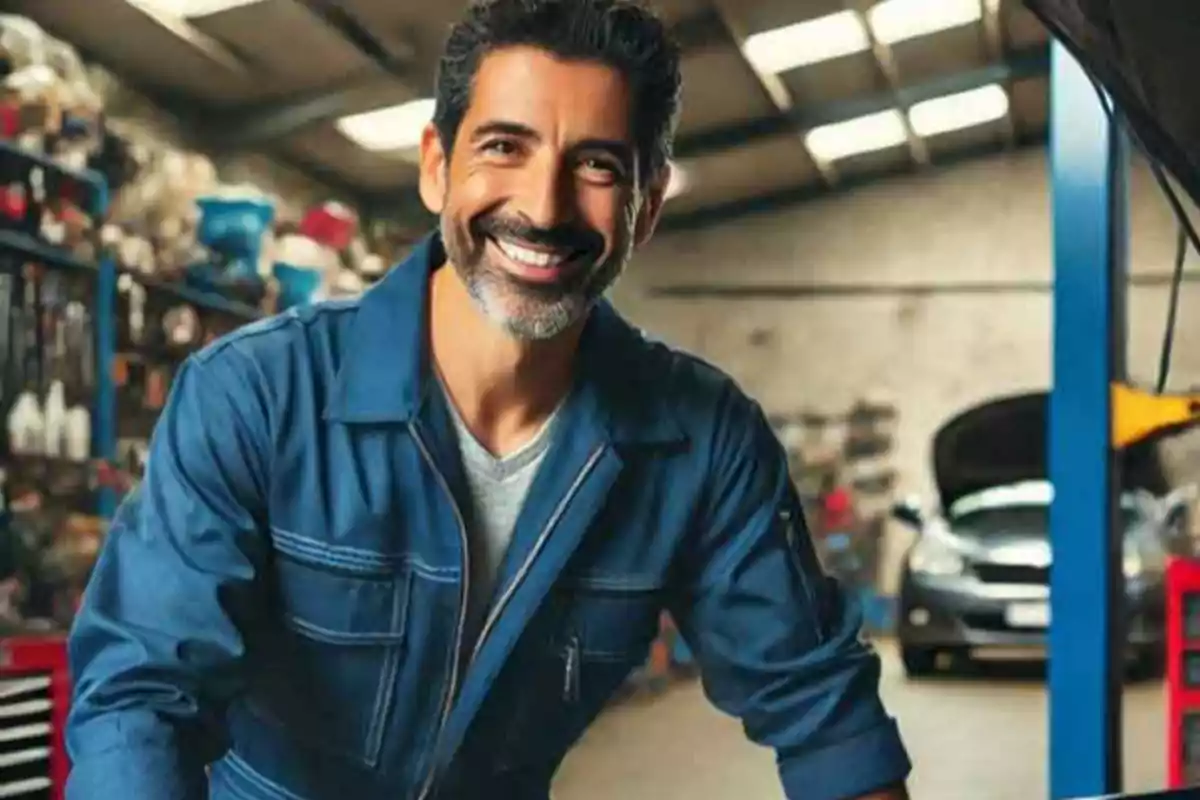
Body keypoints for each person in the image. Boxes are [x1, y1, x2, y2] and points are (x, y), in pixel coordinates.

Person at [64, 1, 912, 798]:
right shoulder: (257, 397)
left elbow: (821, 710)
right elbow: (142, 696)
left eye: (596, 165)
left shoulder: (701, 442)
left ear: (646, 208)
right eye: (505, 147)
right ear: (437, 168)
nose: (542, 207)